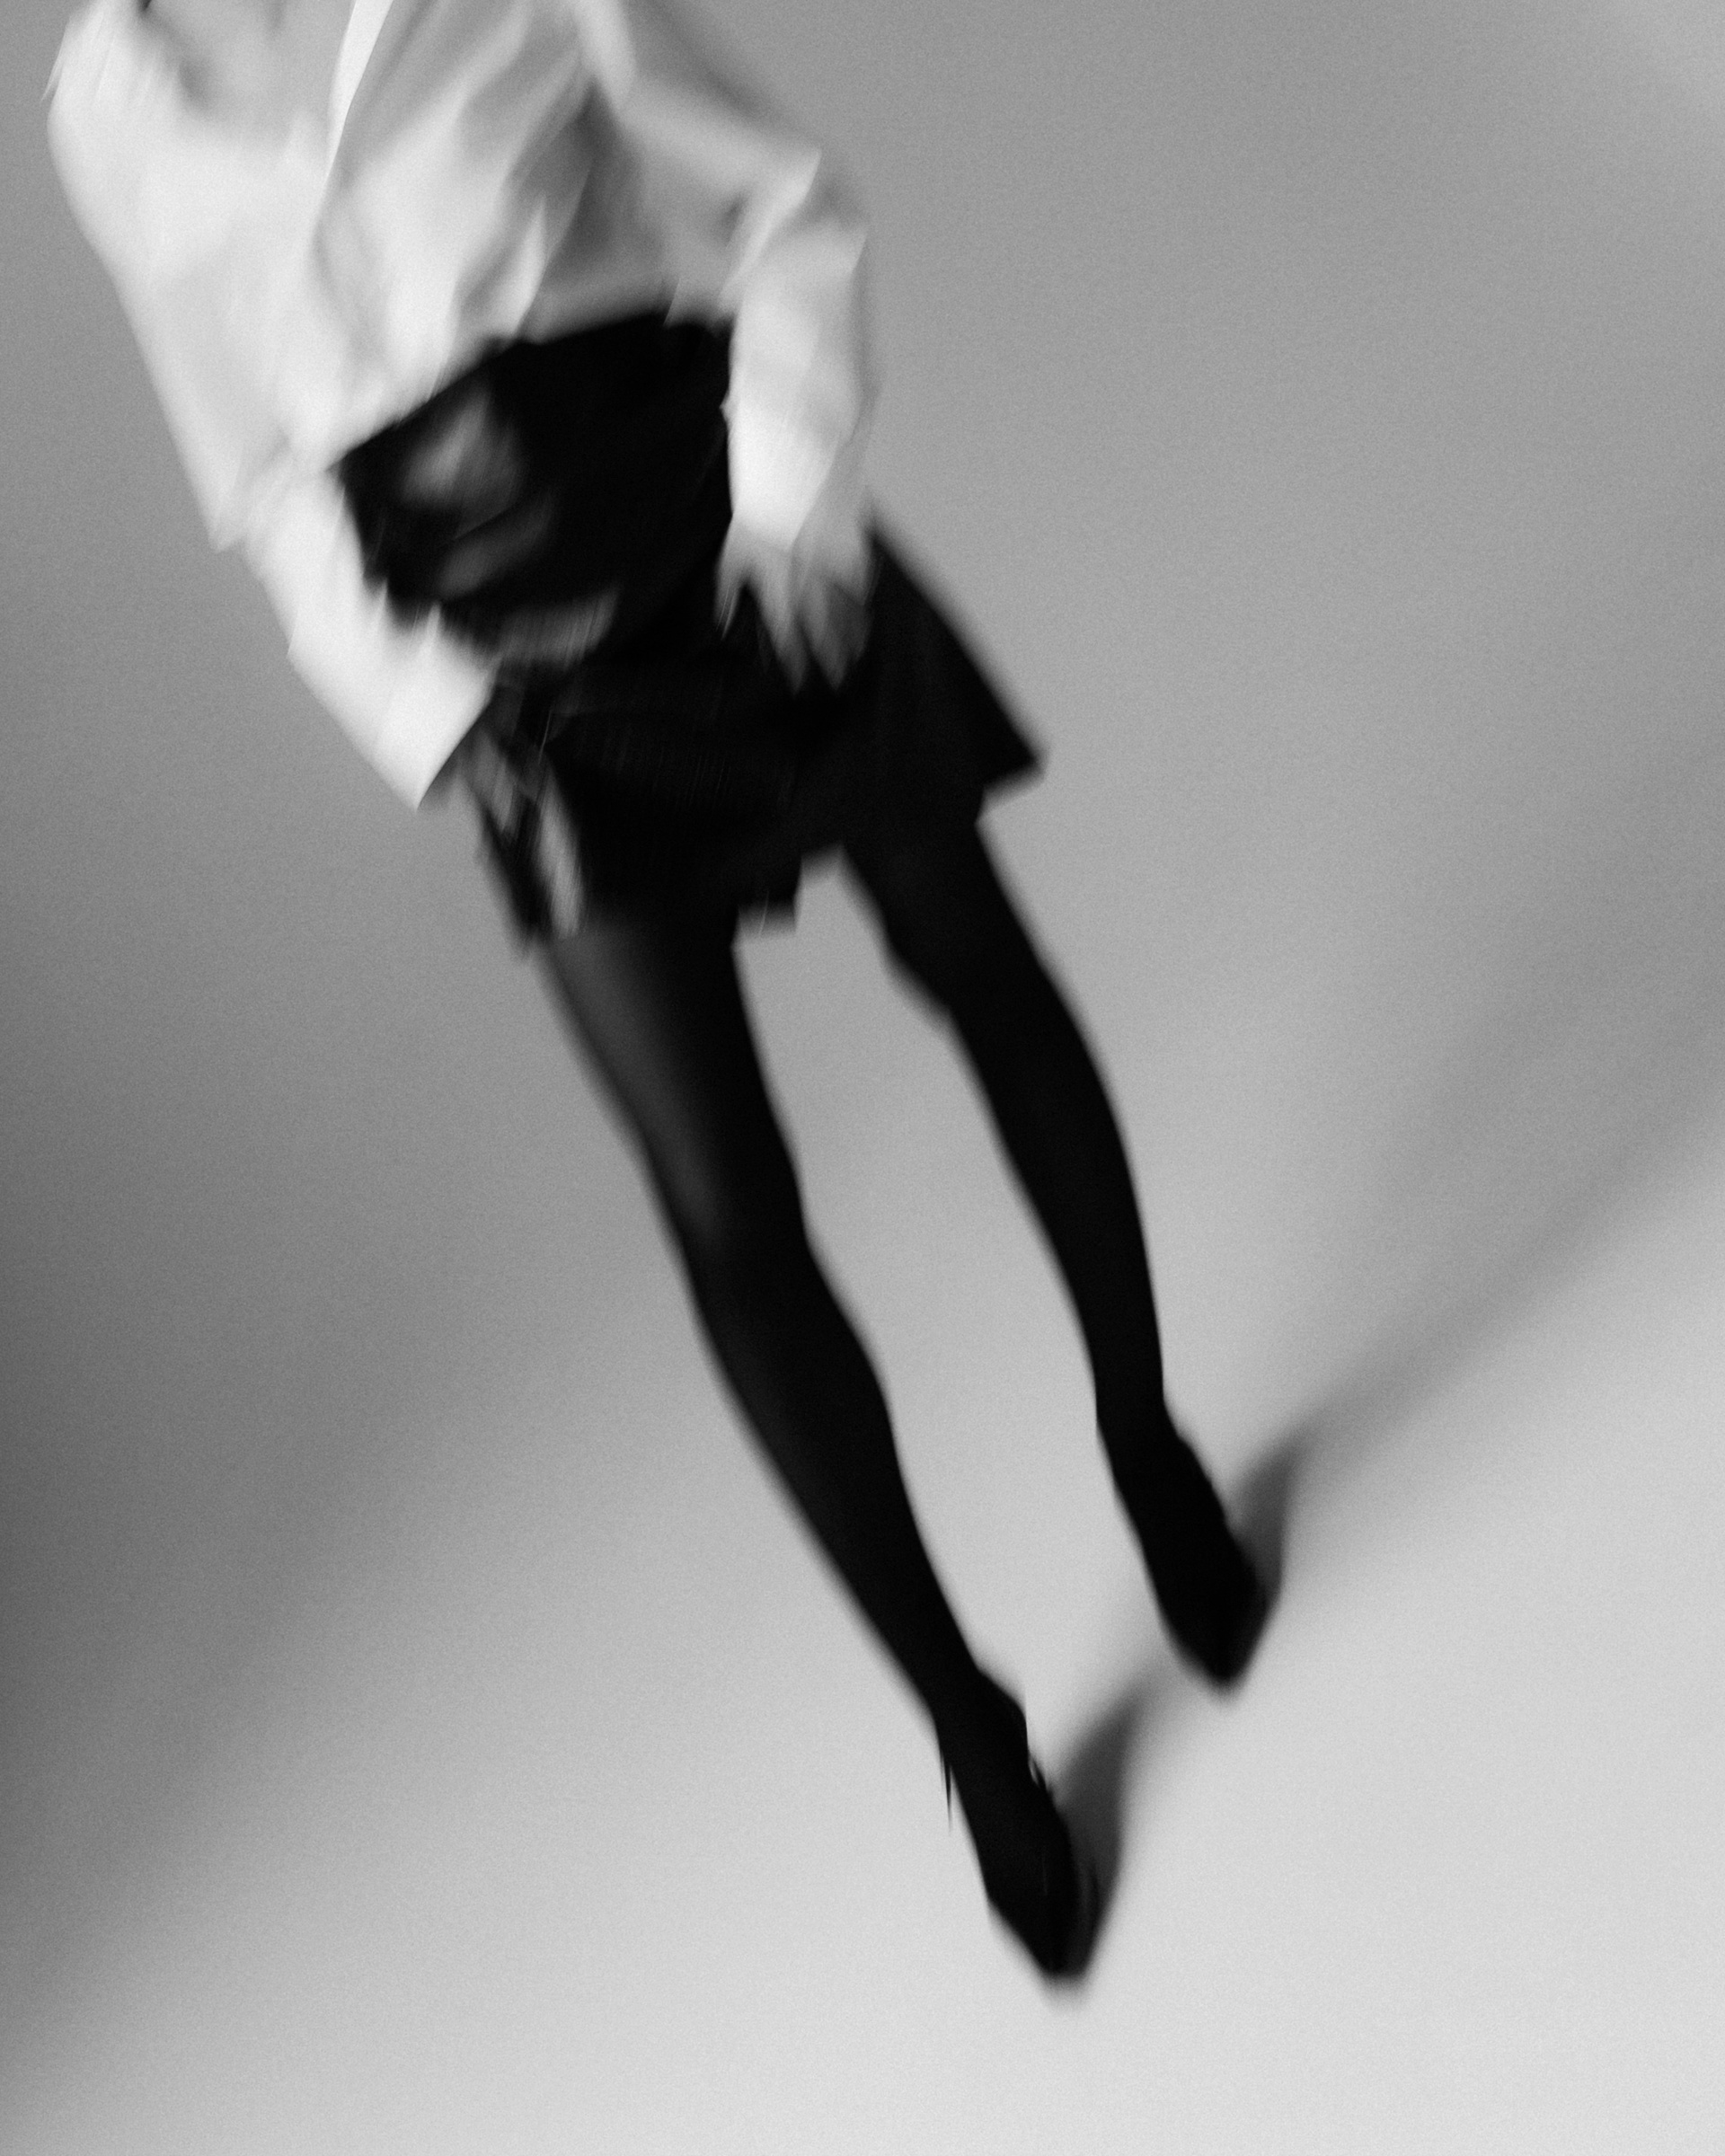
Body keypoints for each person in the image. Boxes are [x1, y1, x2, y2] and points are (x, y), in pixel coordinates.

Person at [48, 0, 1269, 1981]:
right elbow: (256, 467)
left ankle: (1146, 1443)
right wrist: (424, 713)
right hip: (521, 686)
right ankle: (966, 1722)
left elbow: (784, 203)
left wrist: (795, 501)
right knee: (722, 1204)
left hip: (730, 550)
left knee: (979, 968)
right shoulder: (111, 103)